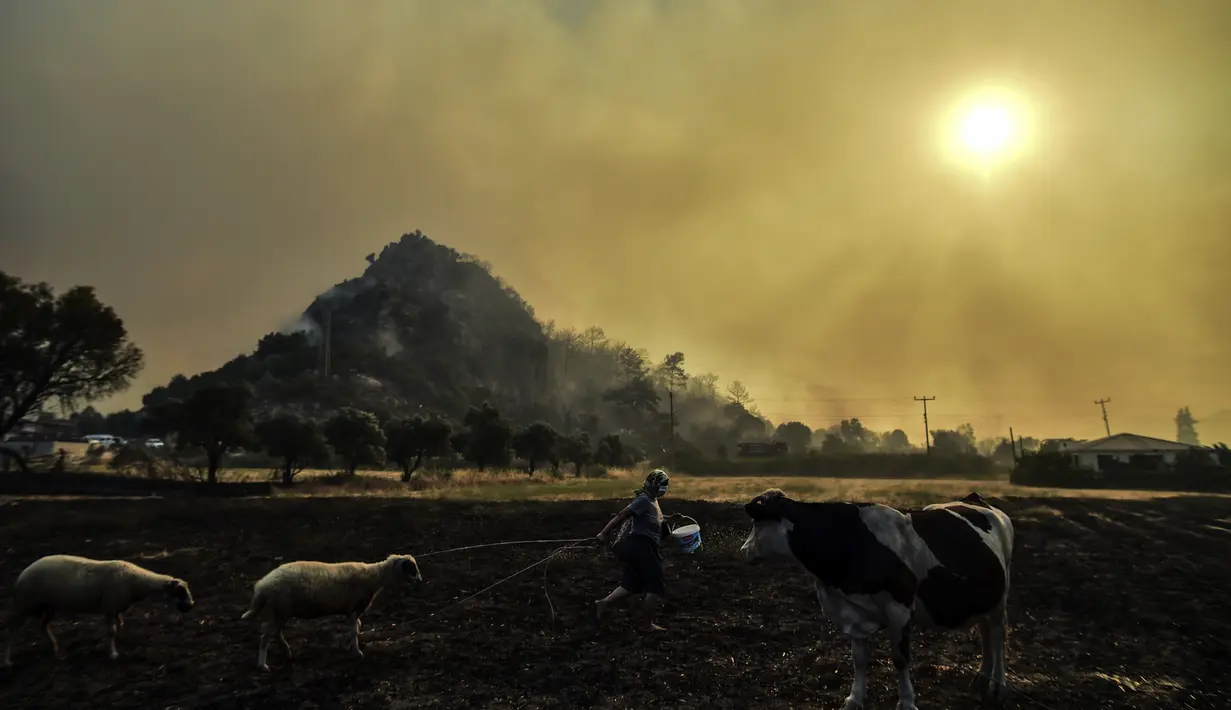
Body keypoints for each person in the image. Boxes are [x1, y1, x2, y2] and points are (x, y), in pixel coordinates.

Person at [593, 468, 684, 631]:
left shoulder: (652, 501)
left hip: (639, 546)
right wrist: (604, 533)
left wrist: (671, 519)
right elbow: (622, 515)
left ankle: (603, 603)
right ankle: (647, 625)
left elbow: (657, 522)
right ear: (652, 485)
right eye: (661, 485)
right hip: (642, 545)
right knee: (655, 585)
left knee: (631, 583)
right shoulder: (643, 499)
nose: (663, 489)